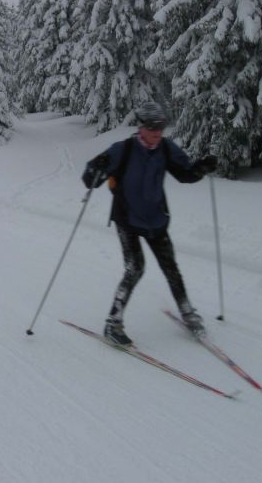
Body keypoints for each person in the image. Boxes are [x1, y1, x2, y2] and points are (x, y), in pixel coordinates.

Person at [82, 102, 218, 346]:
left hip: (156, 219)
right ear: (141, 127)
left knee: (170, 267)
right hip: (127, 219)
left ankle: (188, 312)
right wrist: (96, 170)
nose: (157, 132)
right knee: (135, 268)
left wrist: (201, 168)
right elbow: (90, 177)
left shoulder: (166, 148)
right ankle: (113, 323)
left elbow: (185, 173)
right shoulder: (122, 149)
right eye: (152, 127)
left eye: (161, 127)